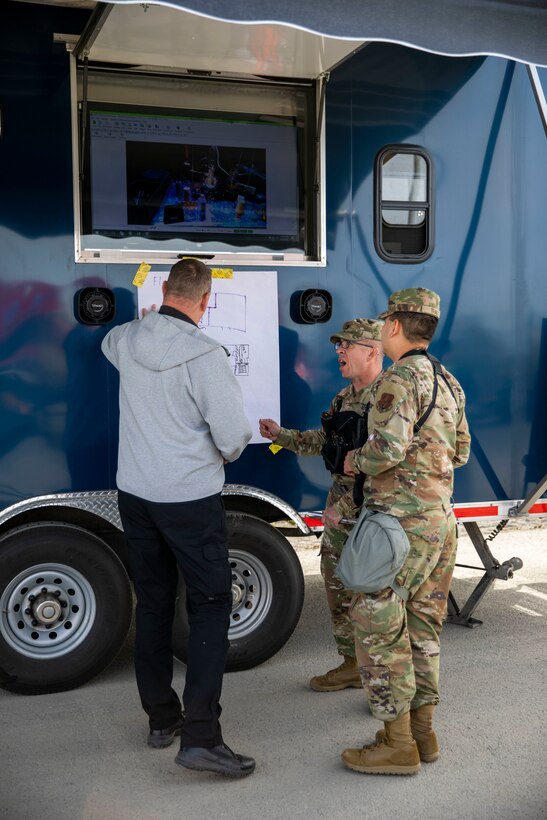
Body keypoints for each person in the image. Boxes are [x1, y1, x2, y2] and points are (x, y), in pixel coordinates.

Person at [101, 258, 255, 778]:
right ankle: (203, 738)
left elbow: (108, 344)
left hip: (136, 495)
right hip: (188, 499)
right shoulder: (205, 355)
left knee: (155, 603)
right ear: (206, 299)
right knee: (211, 607)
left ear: (165, 290)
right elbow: (233, 438)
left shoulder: (126, 339)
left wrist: (147, 319)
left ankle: (161, 720)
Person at [339, 288, 471, 776]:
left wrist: (356, 460)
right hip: (440, 522)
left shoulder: (397, 379)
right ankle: (422, 735)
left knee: (378, 625)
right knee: (423, 629)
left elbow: (385, 451)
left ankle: (396, 744)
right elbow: (461, 452)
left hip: (397, 525)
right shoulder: (448, 381)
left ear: (394, 326)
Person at [259, 319, 383, 691]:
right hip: (341, 507)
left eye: (348, 345)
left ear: (374, 351)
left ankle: (383, 678)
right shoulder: (344, 397)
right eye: (338, 347)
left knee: (376, 595)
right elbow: (325, 442)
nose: (340, 352)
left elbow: (389, 464)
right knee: (338, 588)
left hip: (373, 511)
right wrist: (282, 436)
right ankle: (351, 664)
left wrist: (346, 507)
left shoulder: (389, 398)